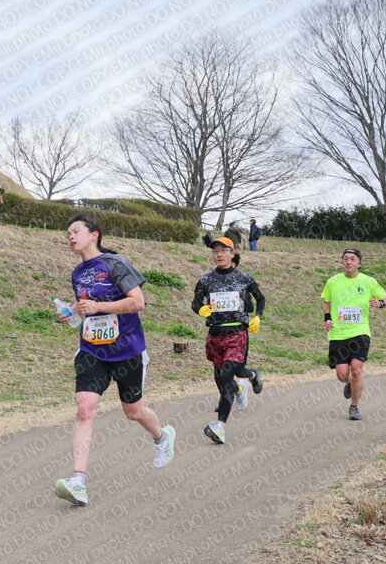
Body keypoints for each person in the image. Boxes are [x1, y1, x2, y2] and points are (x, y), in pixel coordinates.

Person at [54, 212, 176, 506]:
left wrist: (98, 307)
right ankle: (78, 481)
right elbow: (84, 307)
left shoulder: (115, 263)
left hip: (127, 350)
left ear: (94, 234)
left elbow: (138, 302)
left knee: (133, 411)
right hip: (92, 350)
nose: (70, 237)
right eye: (68, 234)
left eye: (75, 231)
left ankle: (162, 436)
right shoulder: (77, 273)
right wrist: (72, 313)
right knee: (85, 408)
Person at [192, 237, 264, 444]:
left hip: (237, 333)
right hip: (215, 334)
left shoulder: (244, 278)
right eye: (215, 251)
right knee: (223, 377)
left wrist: (258, 317)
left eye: (224, 250)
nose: (219, 254)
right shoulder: (206, 280)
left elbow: (260, 298)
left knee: (225, 376)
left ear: (232, 254)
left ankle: (220, 426)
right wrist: (200, 309)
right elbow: (195, 303)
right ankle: (246, 381)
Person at [322, 248, 386, 420]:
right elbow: (326, 301)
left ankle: (354, 406)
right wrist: (327, 318)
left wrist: (380, 303)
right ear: (342, 262)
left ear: (360, 263)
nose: (348, 262)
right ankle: (351, 384)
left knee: (357, 370)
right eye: (345, 258)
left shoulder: (368, 281)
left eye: (352, 259)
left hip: (360, 332)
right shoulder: (333, 281)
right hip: (338, 334)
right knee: (342, 375)